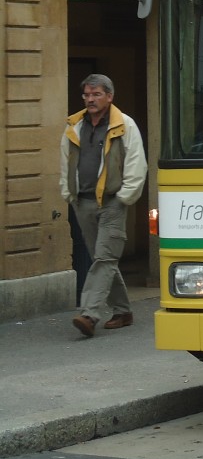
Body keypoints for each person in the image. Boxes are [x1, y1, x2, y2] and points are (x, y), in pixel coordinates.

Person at [59, 74, 147, 338]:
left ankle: (89, 314)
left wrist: (125, 196)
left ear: (109, 96)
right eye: (87, 94)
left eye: (96, 94)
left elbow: (136, 161)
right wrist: (68, 193)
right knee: (104, 260)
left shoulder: (124, 124)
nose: (90, 99)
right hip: (82, 202)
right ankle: (122, 311)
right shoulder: (74, 126)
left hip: (113, 202)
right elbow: (65, 161)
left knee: (104, 258)